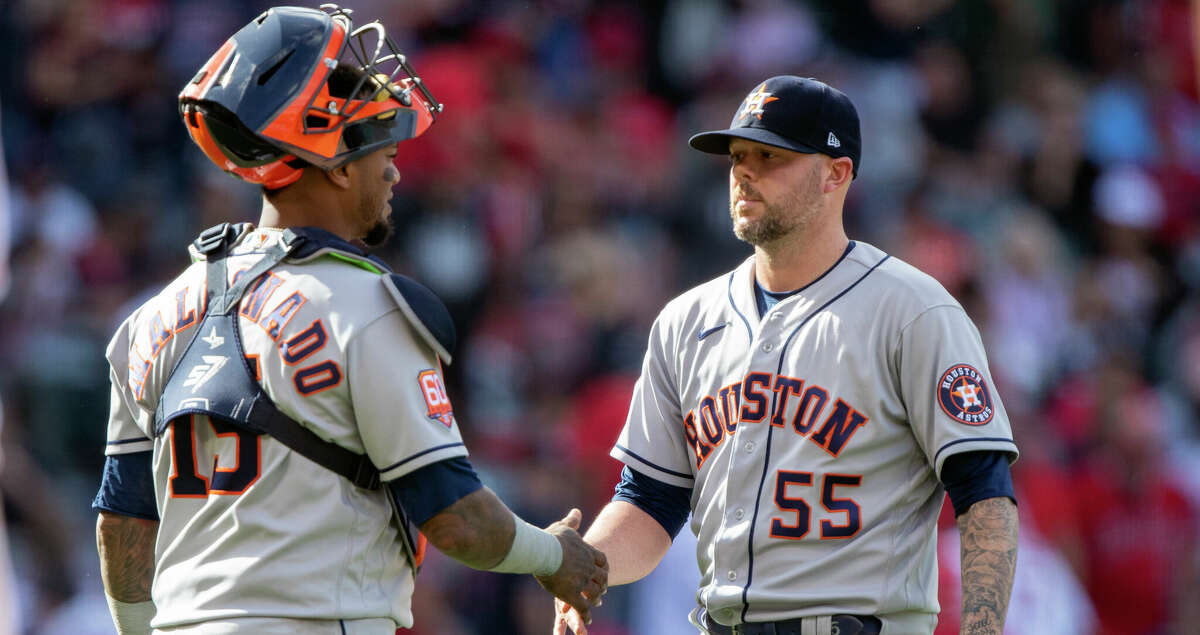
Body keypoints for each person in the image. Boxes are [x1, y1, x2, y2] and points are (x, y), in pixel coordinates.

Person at [92, 6, 606, 635]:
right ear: (335, 166)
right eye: (380, 149)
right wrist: (555, 556)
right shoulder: (367, 306)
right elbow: (457, 520)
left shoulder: (148, 319)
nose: (393, 170)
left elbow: (121, 525)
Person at [554, 76, 1019, 635]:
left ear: (835, 173)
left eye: (771, 156)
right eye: (738, 156)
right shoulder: (686, 320)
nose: (745, 172)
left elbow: (984, 491)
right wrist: (585, 567)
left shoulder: (914, 312)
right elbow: (651, 500)